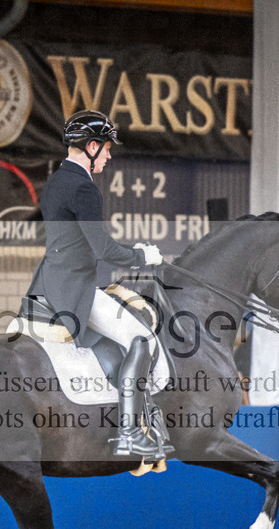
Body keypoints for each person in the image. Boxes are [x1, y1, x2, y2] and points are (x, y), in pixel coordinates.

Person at [25, 109, 169, 459]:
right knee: (142, 339)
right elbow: (103, 250)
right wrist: (142, 256)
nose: (108, 154)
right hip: (76, 291)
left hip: (49, 282)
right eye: (105, 148)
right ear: (91, 146)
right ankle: (131, 433)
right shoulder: (83, 189)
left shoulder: (56, 180)